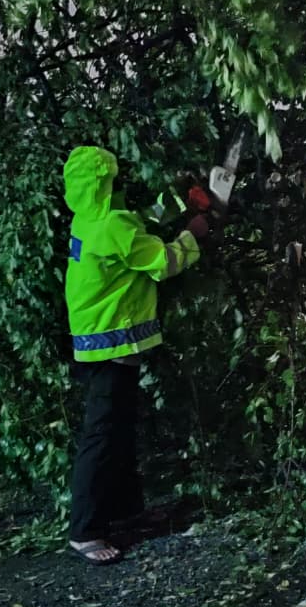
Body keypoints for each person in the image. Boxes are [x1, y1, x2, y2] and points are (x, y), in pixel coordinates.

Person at [62, 146, 209, 566]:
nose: (120, 184)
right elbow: (163, 261)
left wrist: (185, 201)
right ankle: (85, 530)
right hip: (111, 346)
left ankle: (126, 512)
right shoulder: (111, 225)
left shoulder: (92, 218)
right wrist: (194, 233)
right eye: (115, 179)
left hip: (98, 345)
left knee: (119, 431)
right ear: (105, 184)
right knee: (102, 437)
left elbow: (141, 224)